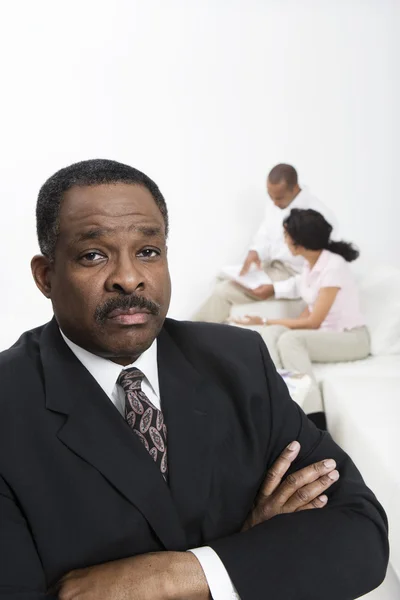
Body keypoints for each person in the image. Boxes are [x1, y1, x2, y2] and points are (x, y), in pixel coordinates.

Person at [0, 159, 388, 600]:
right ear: (45, 276)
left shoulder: (240, 361)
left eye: (149, 251)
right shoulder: (8, 406)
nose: (130, 279)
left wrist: (181, 574)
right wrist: (253, 552)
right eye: (94, 255)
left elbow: (360, 533)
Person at [231, 208, 370, 414]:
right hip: (325, 333)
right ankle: (277, 402)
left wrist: (263, 319)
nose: (284, 240)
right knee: (270, 334)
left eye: (286, 235)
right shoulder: (310, 265)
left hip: (351, 338)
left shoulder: (333, 267)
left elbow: (313, 322)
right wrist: (268, 325)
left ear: (300, 240)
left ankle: (313, 417)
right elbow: (310, 309)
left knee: (290, 340)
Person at [193, 163, 338, 323]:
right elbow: (265, 234)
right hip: (273, 267)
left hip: (293, 275)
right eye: (270, 197)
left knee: (223, 291)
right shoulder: (277, 202)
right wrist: (255, 251)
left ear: (295, 188)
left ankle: (184, 339)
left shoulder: (319, 220)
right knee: (220, 277)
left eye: (279, 198)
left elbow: (316, 276)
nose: (274, 203)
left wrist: (275, 289)